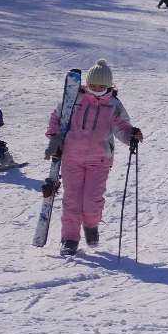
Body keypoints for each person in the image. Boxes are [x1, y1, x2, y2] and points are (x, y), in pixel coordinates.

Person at [43, 60, 142, 255]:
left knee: (91, 200)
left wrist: (131, 134)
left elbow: (121, 126)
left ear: (109, 86)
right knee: (72, 200)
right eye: (92, 85)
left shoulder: (114, 105)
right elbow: (57, 116)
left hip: (99, 160)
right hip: (71, 157)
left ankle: (91, 226)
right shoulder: (74, 98)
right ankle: (69, 239)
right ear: (87, 83)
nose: (96, 89)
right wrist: (54, 137)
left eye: (101, 86)